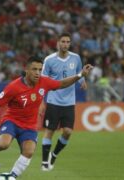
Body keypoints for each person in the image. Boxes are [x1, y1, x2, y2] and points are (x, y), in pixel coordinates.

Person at [0, 56, 93, 178]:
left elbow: (62, 83)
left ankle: (11, 176)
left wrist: (80, 75)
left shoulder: (44, 82)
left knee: (29, 152)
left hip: (30, 125)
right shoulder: (14, 87)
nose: (37, 73)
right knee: (3, 144)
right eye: (34, 69)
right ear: (26, 70)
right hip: (12, 121)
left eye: (40, 70)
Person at [40, 32, 87, 171]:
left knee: (67, 132)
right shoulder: (49, 60)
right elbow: (42, 82)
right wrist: (42, 102)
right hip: (53, 101)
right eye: (63, 41)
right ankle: (44, 162)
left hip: (69, 102)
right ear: (58, 43)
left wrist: (82, 81)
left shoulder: (76, 58)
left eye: (68, 42)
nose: (65, 44)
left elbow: (79, 72)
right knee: (50, 131)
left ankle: (54, 155)